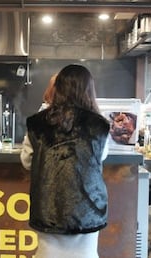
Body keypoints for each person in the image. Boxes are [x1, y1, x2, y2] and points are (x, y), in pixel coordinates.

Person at [20, 64, 110, 258]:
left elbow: (27, 161)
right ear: (89, 90)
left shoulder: (36, 123)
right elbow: (99, 158)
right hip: (87, 209)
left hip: (47, 209)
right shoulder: (100, 125)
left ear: (57, 88)